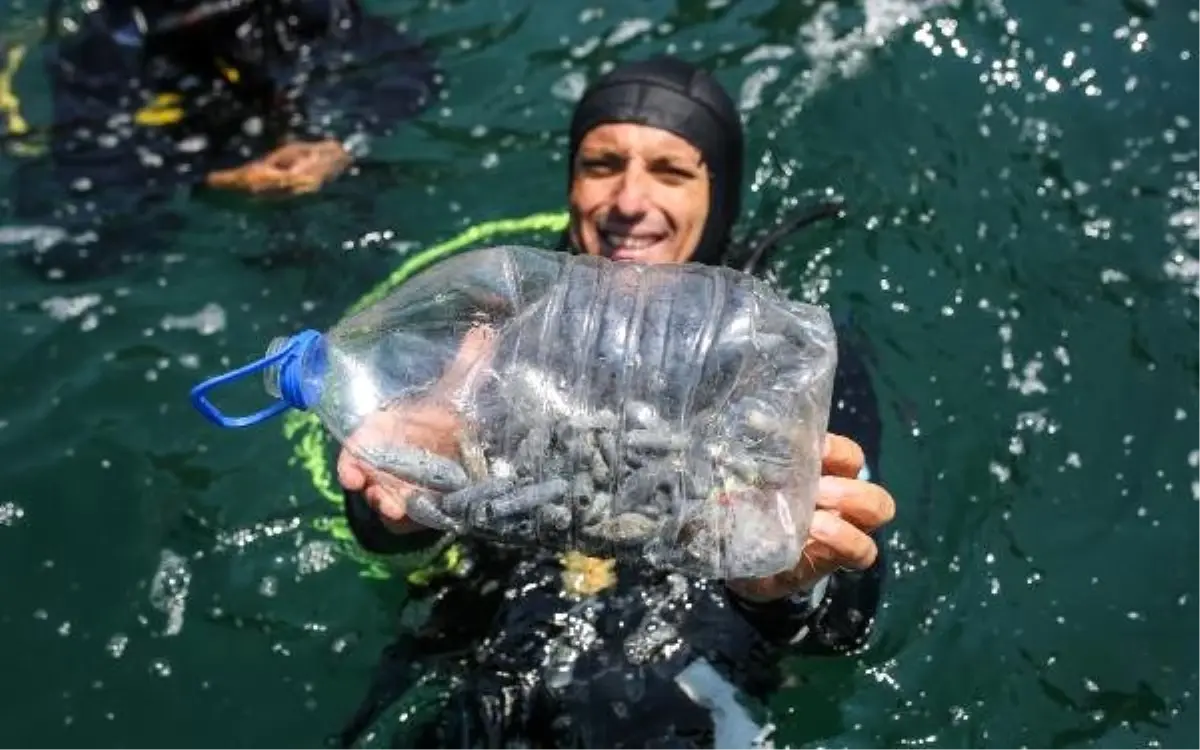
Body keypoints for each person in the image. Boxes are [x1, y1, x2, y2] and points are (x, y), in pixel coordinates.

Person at [334, 56, 896, 748]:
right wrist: (404, 500)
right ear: (571, 180)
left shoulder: (793, 359)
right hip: (487, 636)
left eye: (671, 171)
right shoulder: (485, 321)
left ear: (719, 193)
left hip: (689, 662)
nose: (629, 201)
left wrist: (781, 587)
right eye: (602, 164)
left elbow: (846, 627)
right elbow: (381, 523)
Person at [3, 0, 439, 281]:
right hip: (178, 137)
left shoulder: (297, 9)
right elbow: (89, 165)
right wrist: (216, 178)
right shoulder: (97, 39)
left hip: (280, 118)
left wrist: (341, 143)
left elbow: (408, 70)